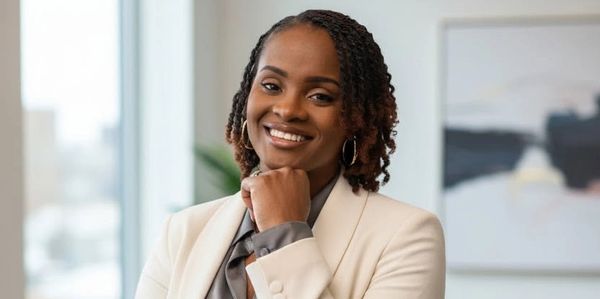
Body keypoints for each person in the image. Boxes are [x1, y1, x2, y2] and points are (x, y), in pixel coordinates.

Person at [135, 9, 445, 299]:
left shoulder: (407, 237)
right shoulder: (184, 230)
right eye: (271, 86)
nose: (287, 109)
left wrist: (284, 233)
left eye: (320, 96)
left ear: (356, 118)